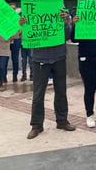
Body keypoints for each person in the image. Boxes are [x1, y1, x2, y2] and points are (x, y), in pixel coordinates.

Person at [23, 9, 76, 139]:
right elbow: (22, 35)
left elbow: (68, 36)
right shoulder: (30, 14)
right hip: (39, 58)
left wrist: (65, 23)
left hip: (58, 57)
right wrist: (23, 25)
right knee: (38, 93)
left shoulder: (63, 15)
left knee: (61, 91)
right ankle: (36, 125)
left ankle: (62, 120)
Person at [71, 15, 96, 128]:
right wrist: (75, 25)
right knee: (89, 88)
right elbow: (74, 39)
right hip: (87, 58)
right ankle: (89, 115)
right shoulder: (81, 18)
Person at [10, 6, 22, 82]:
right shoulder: (5, 18)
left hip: (16, 40)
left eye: (14, 9)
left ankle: (15, 75)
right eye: (11, 9)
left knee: (15, 58)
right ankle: (3, 77)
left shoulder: (18, 18)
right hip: (6, 41)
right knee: (4, 59)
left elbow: (21, 31)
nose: (13, 10)